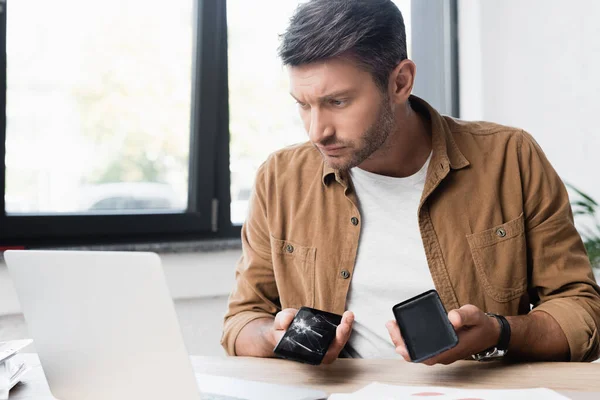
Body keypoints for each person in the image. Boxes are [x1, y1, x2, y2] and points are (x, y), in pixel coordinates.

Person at [221, 0, 600, 364]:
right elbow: (242, 321)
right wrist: (274, 337)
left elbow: (583, 311)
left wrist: (498, 333)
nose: (317, 131)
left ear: (400, 82)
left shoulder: (510, 158)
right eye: (303, 105)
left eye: (337, 102)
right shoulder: (280, 178)